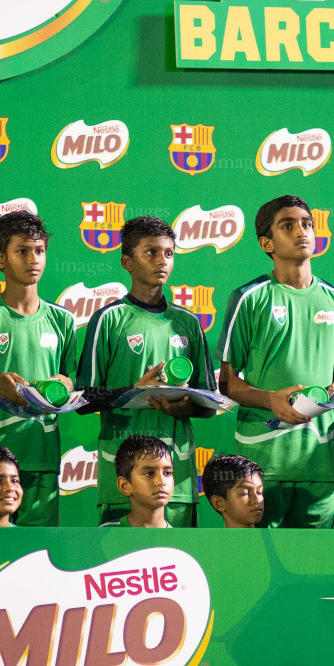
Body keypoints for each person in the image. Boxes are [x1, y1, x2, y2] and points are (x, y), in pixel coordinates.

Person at [220, 196, 334, 529]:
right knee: (256, 565)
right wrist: (270, 400)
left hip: (318, 459)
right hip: (260, 461)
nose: (302, 231)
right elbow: (225, 381)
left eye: (307, 223)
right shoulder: (248, 298)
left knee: (312, 565)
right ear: (267, 242)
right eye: (288, 225)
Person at [78, 216, 218, 526]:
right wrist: (133, 393)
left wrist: (186, 407)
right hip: (123, 480)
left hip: (176, 479)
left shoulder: (189, 323)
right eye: (151, 252)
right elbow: (84, 399)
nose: (162, 261)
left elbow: (210, 403)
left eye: (169, 253)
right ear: (127, 261)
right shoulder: (108, 319)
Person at [0, 212, 76, 526]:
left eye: (39, 251)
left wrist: (62, 384)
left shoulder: (62, 319)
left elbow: (72, 380)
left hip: (42, 454)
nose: (33, 259)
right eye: (22, 251)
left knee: (37, 555)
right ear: (0, 258)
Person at [100, 436, 174, 528]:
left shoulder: (181, 539)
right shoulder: (104, 535)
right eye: (149, 473)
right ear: (125, 486)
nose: (162, 481)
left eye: (167, 473)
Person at [202, 453, 266, 528]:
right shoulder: (209, 539)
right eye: (245, 493)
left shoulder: (279, 539)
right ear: (219, 503)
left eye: (259, 492)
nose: (257, 500)